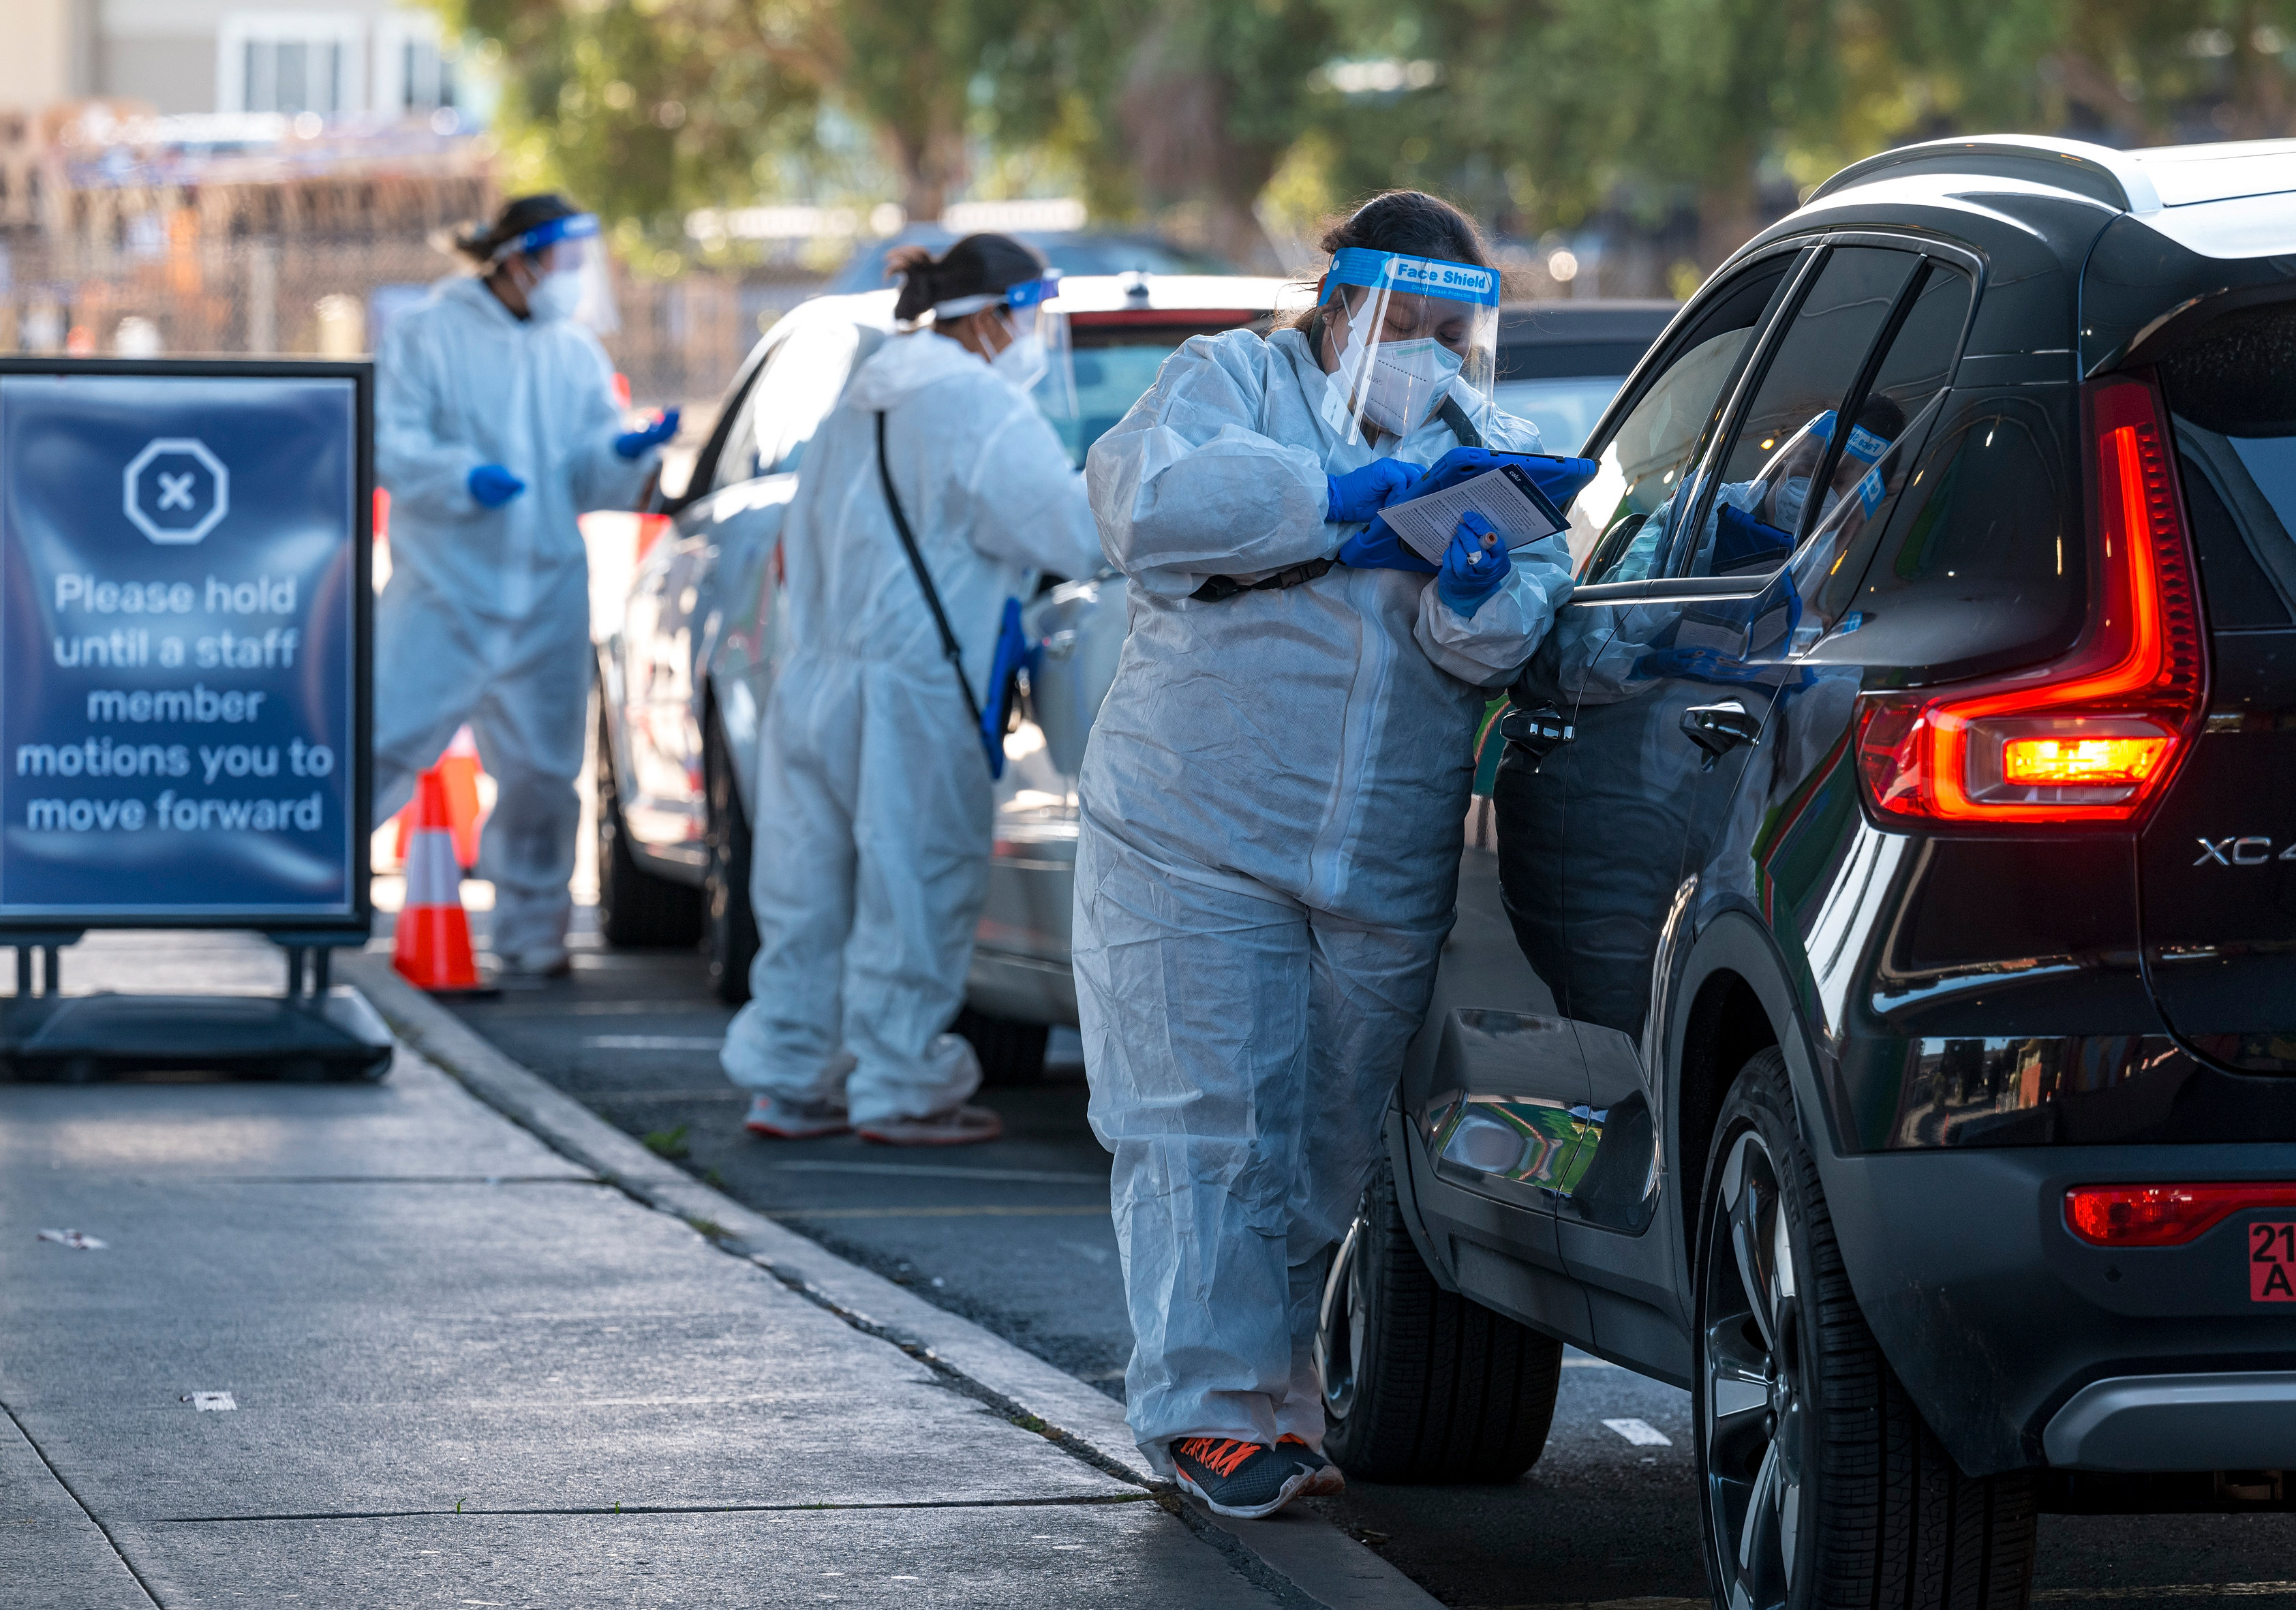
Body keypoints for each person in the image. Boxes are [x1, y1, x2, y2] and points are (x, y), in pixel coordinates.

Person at [1073, 192, 1572, 1517]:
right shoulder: (1230, 379)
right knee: (1202, 1124)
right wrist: (1331, 497)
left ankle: (1270, 1390)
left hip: (1376, 860)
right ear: (1341, 301)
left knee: (1322, 1153)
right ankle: (1203, 1410)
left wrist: (1475, 583)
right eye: (1397, 320)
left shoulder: (1486, 444)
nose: (1418, 349)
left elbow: (1509, 631)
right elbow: (1146, 507)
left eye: (1443, 328)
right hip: (1198, 826)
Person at [718, 234, 1101, 1146]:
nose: (1035, 334)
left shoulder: (862, 394)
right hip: (911, 687)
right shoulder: (980, 409)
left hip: (810, 679)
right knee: (915, 881)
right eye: (1031, 313)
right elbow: (1076, 538)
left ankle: (787, 1076)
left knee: (804, 892)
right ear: (997, 316)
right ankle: (898, 1086)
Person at [371, 192, 679, 979]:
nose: (575, 279)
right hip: (443, 587)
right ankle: (309, 896)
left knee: (544, 773)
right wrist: (458, 477)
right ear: (518, 261)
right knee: (383, 745)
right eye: (566, 262)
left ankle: (533, 932)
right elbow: (390, 438)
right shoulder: (431, 335)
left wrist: (628, 452)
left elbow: (587, 474)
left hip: (544, 588)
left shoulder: (570, 352)